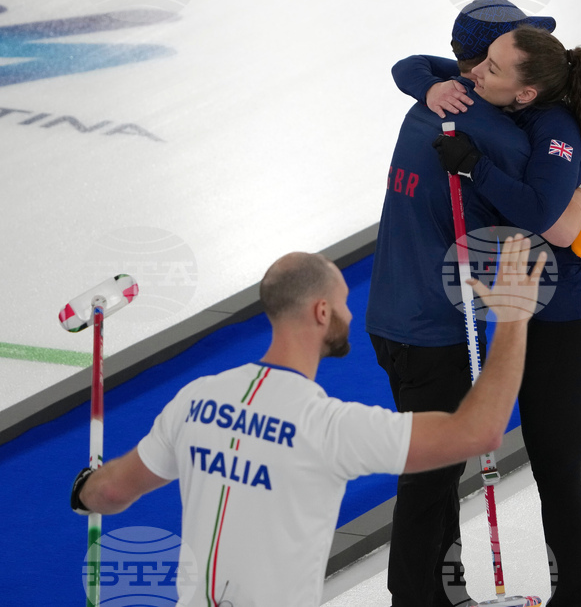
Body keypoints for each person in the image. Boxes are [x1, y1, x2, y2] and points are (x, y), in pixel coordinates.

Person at [70, 237, 546, 607]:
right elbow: (478, 432)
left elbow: (109, 492)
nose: (349, 311)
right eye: (342, 302)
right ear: (322, 312)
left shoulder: (196, 400)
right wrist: (513, 320)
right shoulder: (328, 427)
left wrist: (85, 487)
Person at [396, 25, 581, 607]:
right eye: (479, 63)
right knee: (571, 461)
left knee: (558, 470)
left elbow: (549, 219)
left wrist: (477, 167)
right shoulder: (510, 97)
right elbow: (410, 66)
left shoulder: (554, 128)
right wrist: (429, 90)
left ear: (526, 89)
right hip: (536, 315)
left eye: (490, 68)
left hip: (569, 322)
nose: (473, 75)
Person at [366, 0, 558, 607]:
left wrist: (426, 84)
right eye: (518, 47)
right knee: (430, 482)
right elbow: (541, 217)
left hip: (391, 317)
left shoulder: (431, 104)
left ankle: (444, 595)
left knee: (435, 475)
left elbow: (411, 64)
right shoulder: (494, 133)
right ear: (491, 63)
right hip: (438, 331)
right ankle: (417, 599)